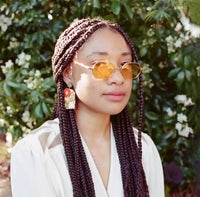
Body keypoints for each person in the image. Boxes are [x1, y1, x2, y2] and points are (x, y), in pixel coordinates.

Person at [10, 18, 164, 197]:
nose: (118, 78)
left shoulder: (142, 148)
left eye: (125, 65)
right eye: (100, 65)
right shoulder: (37, 152)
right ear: (68, 73)